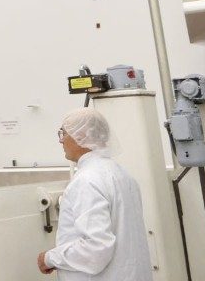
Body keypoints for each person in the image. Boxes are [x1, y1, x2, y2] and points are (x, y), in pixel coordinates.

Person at [37, 108, 153, 279]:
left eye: (64, 133)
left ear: (81, 136)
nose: (61, 141)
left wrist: (50, 258)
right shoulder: (121, 174)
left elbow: (97, 247)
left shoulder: (86, 181)